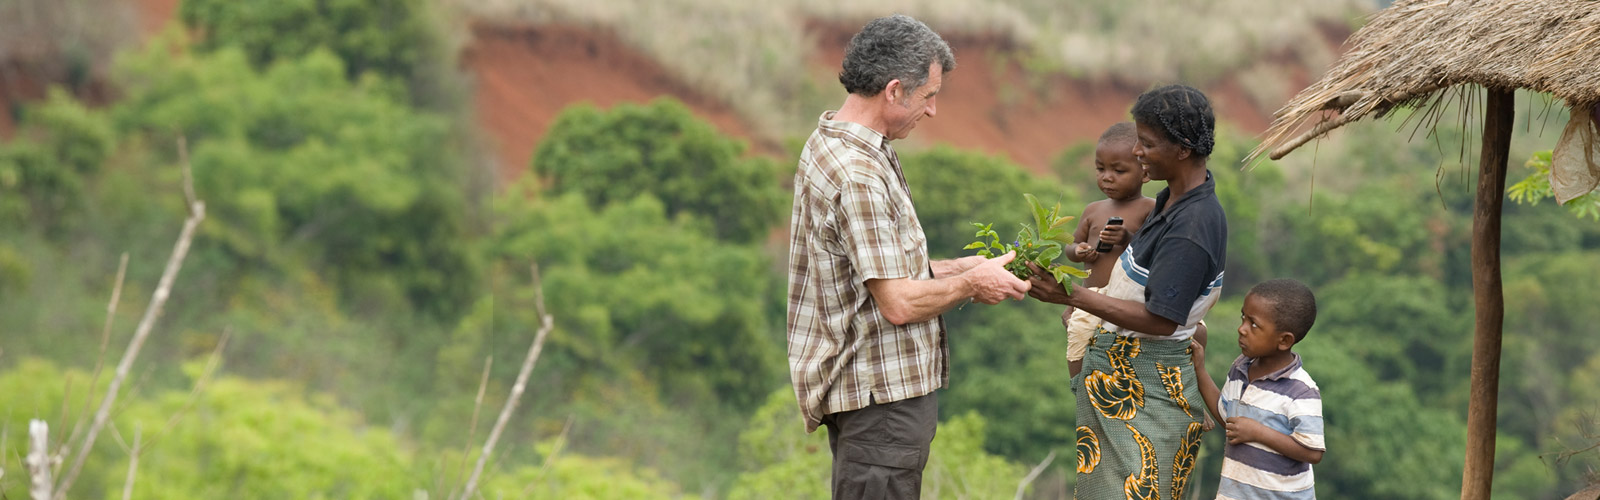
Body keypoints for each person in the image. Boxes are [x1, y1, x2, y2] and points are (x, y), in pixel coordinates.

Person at [786, 14, 1031, 500]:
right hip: (881, 400)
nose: (934, 110)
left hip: (869, 396)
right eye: (929, 96)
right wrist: (970, 285)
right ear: (894, 91)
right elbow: (896, 302)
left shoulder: (834, 141)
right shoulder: (858, 173)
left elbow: (873, 274)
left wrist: (970, 267)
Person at [1025, 84, 1227, 499]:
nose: (1137, 151)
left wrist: (1072, 297)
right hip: (1124, 385)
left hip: (1148, 395)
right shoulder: (1170, 200)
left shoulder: (1192, 226)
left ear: (1183, 148)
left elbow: (1161, 318)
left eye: (1147, 144)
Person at [1191, 279, 1325, 499]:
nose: (1241, 328)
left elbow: (1313, 451)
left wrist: (1258, 432)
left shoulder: (1301, 390)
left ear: (1284, 340)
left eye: (1254, 324)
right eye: (1243, 317)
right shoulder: (1240, 368)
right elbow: (1228, 418)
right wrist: (1200, 371)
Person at [1061, 121, 1156, 377]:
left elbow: (1154, 251)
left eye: (1119, 170)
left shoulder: (1150, 208)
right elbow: (1070, 247)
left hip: (1128, 299)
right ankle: (1079, 386)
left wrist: (1126, 238)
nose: (1107, 177)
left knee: (1126, 356)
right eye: (1100, 169)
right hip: (1091, 296)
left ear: (1145, 174)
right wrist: (1079, 250)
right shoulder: (1093, 210)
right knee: (1078, 337)